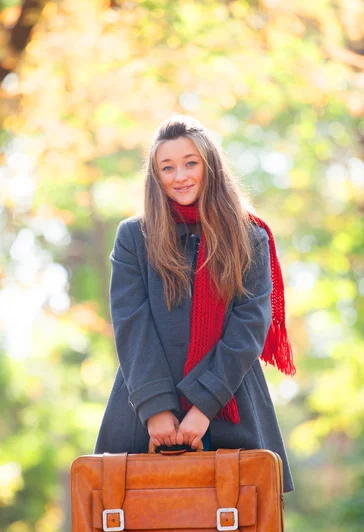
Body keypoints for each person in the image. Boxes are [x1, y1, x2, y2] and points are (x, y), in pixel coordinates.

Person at [94, 114, 296, 494]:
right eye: (167, 167)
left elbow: (250, 325)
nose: (179, 176)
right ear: (155, 176)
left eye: (190, 163)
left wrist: (204, 407)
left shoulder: (249, 236)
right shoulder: (133, 237)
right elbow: (130, 323)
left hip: (229, 400)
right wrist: (156, 411)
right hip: (147, 406)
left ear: (210, 166)